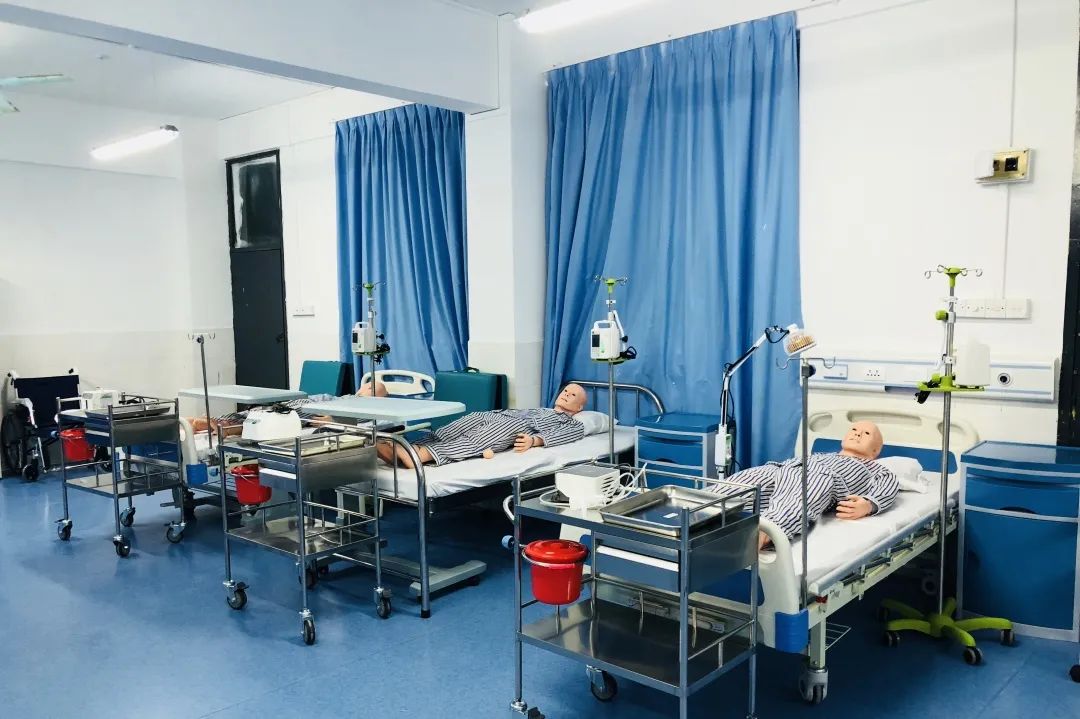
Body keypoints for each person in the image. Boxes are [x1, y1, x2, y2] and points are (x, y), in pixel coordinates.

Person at [716, 420, 899, 550]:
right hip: (782, 468)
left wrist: (868, 505)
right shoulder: (821, 455)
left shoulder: (875, 468)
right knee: (743, 482)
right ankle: (703, 509)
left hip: (822, 476)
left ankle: (763, 532)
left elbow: (888, 487)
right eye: (854, 429)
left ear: (876, 450)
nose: (857, 433)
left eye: (866, 433)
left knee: (798, 496)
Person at [377, 383, 588, 468]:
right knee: (447, 431)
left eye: (573, 395)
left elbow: (566, 435)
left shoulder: (572, 423)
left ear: (579, 407)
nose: (566, 394)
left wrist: (534, 441)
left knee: (474, 441)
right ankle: (409, 448)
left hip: (513, 426)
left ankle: (420, 456)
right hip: (495, 415)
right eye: (565, 391)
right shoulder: (541, 408)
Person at [188, 380, 389, 435]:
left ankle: (211, 424)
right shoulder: (343, 397)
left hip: (310, 410)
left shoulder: (368, 410)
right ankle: (211, 423)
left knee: (268, 418)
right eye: (369, 386)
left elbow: (349, 421)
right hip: (306, 404)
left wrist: (332, 420)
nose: (369, 390)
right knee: (260, 413)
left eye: (374, 391)